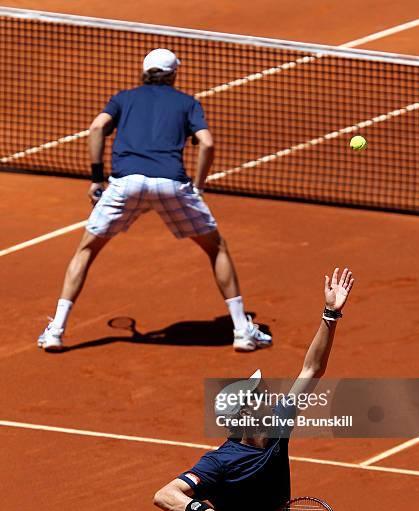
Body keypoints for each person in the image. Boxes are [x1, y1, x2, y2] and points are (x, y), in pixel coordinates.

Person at [38, 48, 272, 353]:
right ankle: (242, 331)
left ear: (144, 71)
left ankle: (56, 331)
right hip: (171, 185)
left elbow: (96, 128)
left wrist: (97, 178)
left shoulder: (123, 98)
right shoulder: (188, 103)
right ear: (174, 74)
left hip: (125, 184)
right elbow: (208, 143)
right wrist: (198, 186)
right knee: (216, 248)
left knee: (86, 250)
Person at [154, 267, 355, 511]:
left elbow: (312, 370)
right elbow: (164, 494)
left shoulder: (279, 428)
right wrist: (198, 508)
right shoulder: (221, 461)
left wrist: (330, 314)